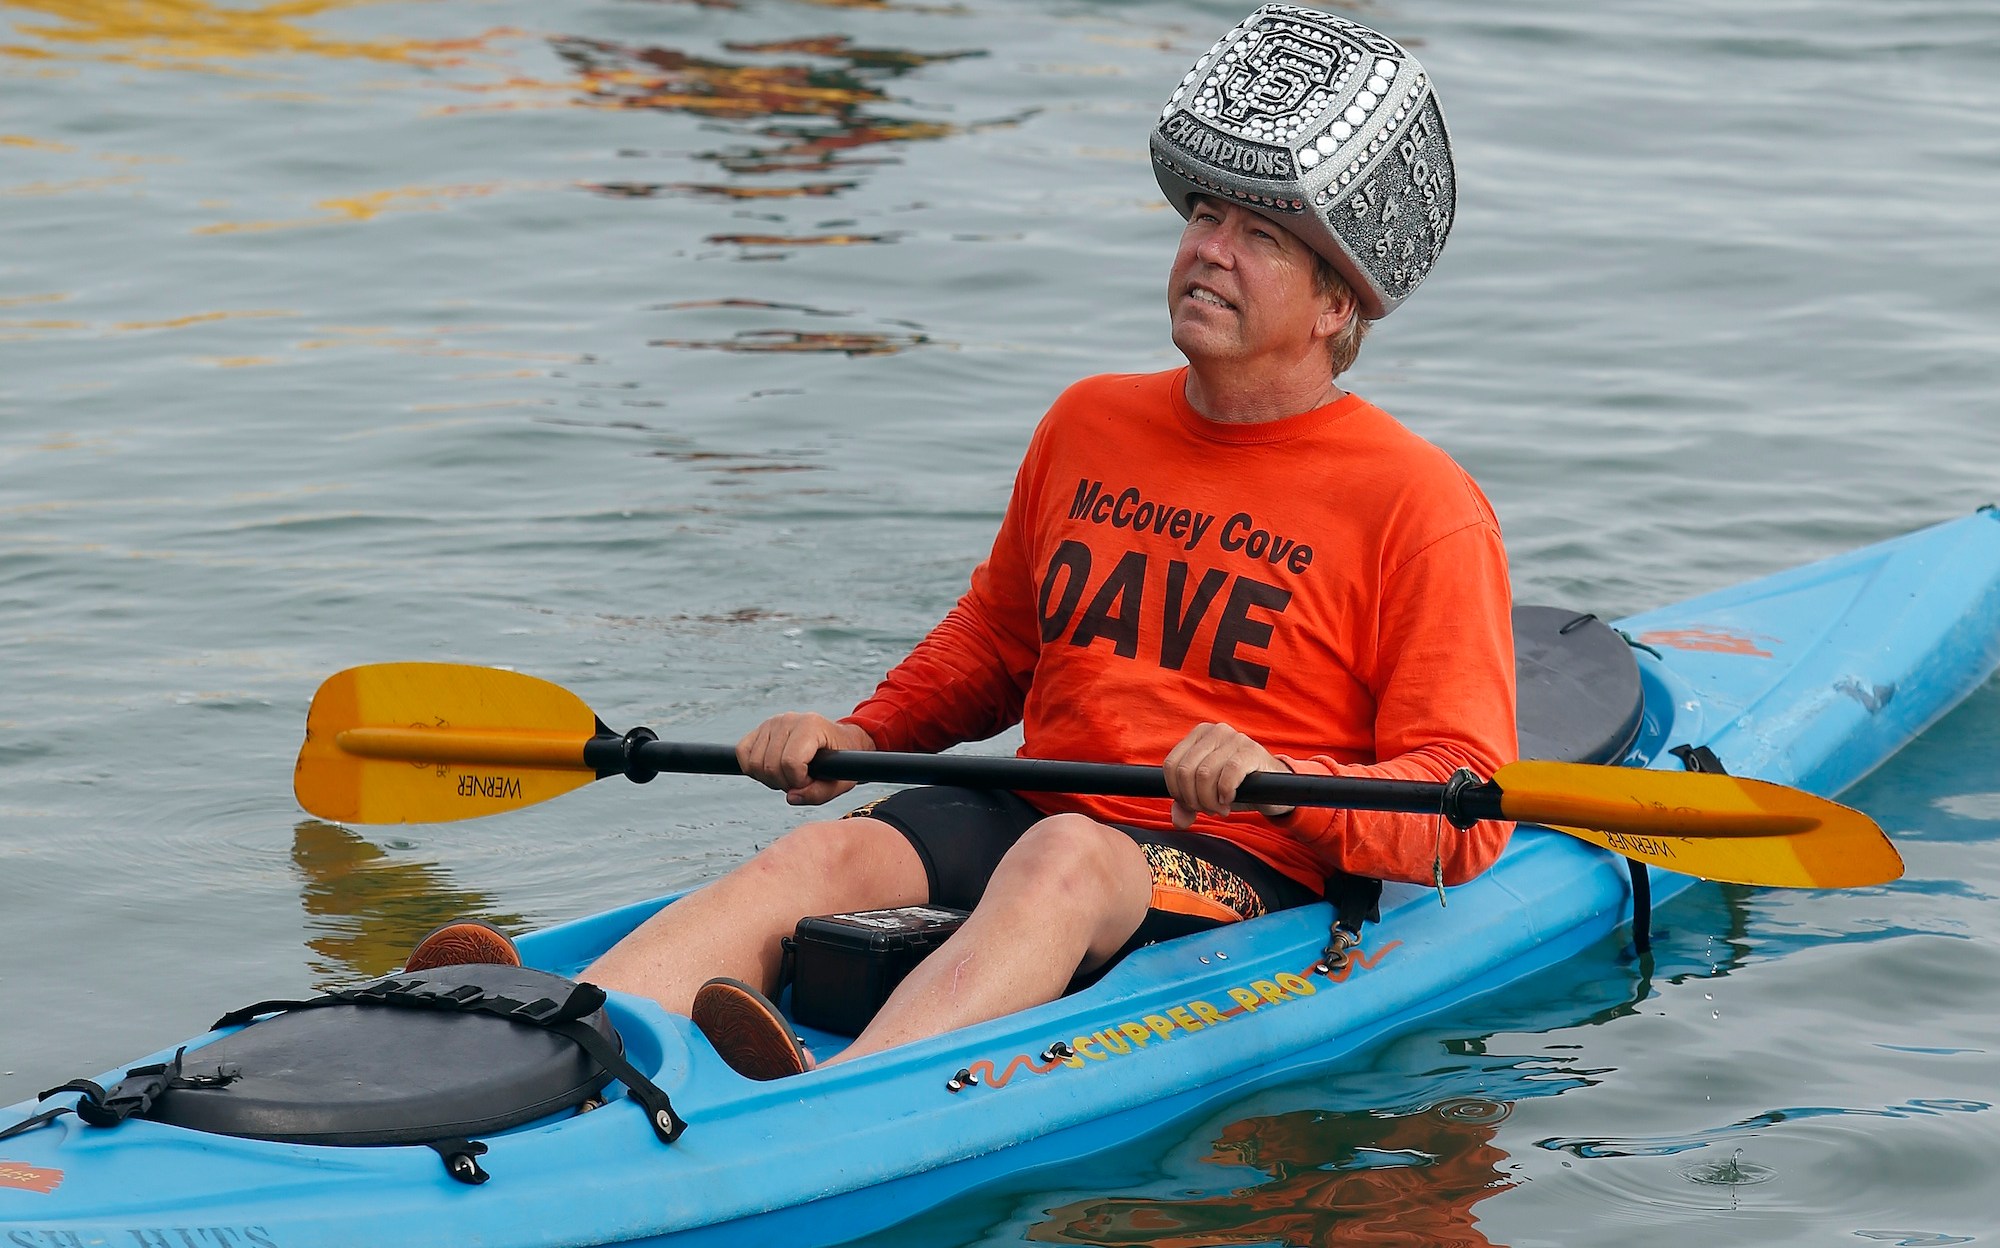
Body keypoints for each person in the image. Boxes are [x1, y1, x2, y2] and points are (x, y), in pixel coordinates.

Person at [410, 4, 1517, 1082]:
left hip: (1242, 866)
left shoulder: (1418, 503)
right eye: (1201, 218)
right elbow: (998, 639)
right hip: (1040, 801)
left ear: (1334, 304)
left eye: (1258, 236)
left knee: (1066, 858)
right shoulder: (1089, 419)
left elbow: (1462, 803)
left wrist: (1282, 781)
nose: (1207, 251)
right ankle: (554, 1032)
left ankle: (829, 1101)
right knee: (832, 851)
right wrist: (857, 727)